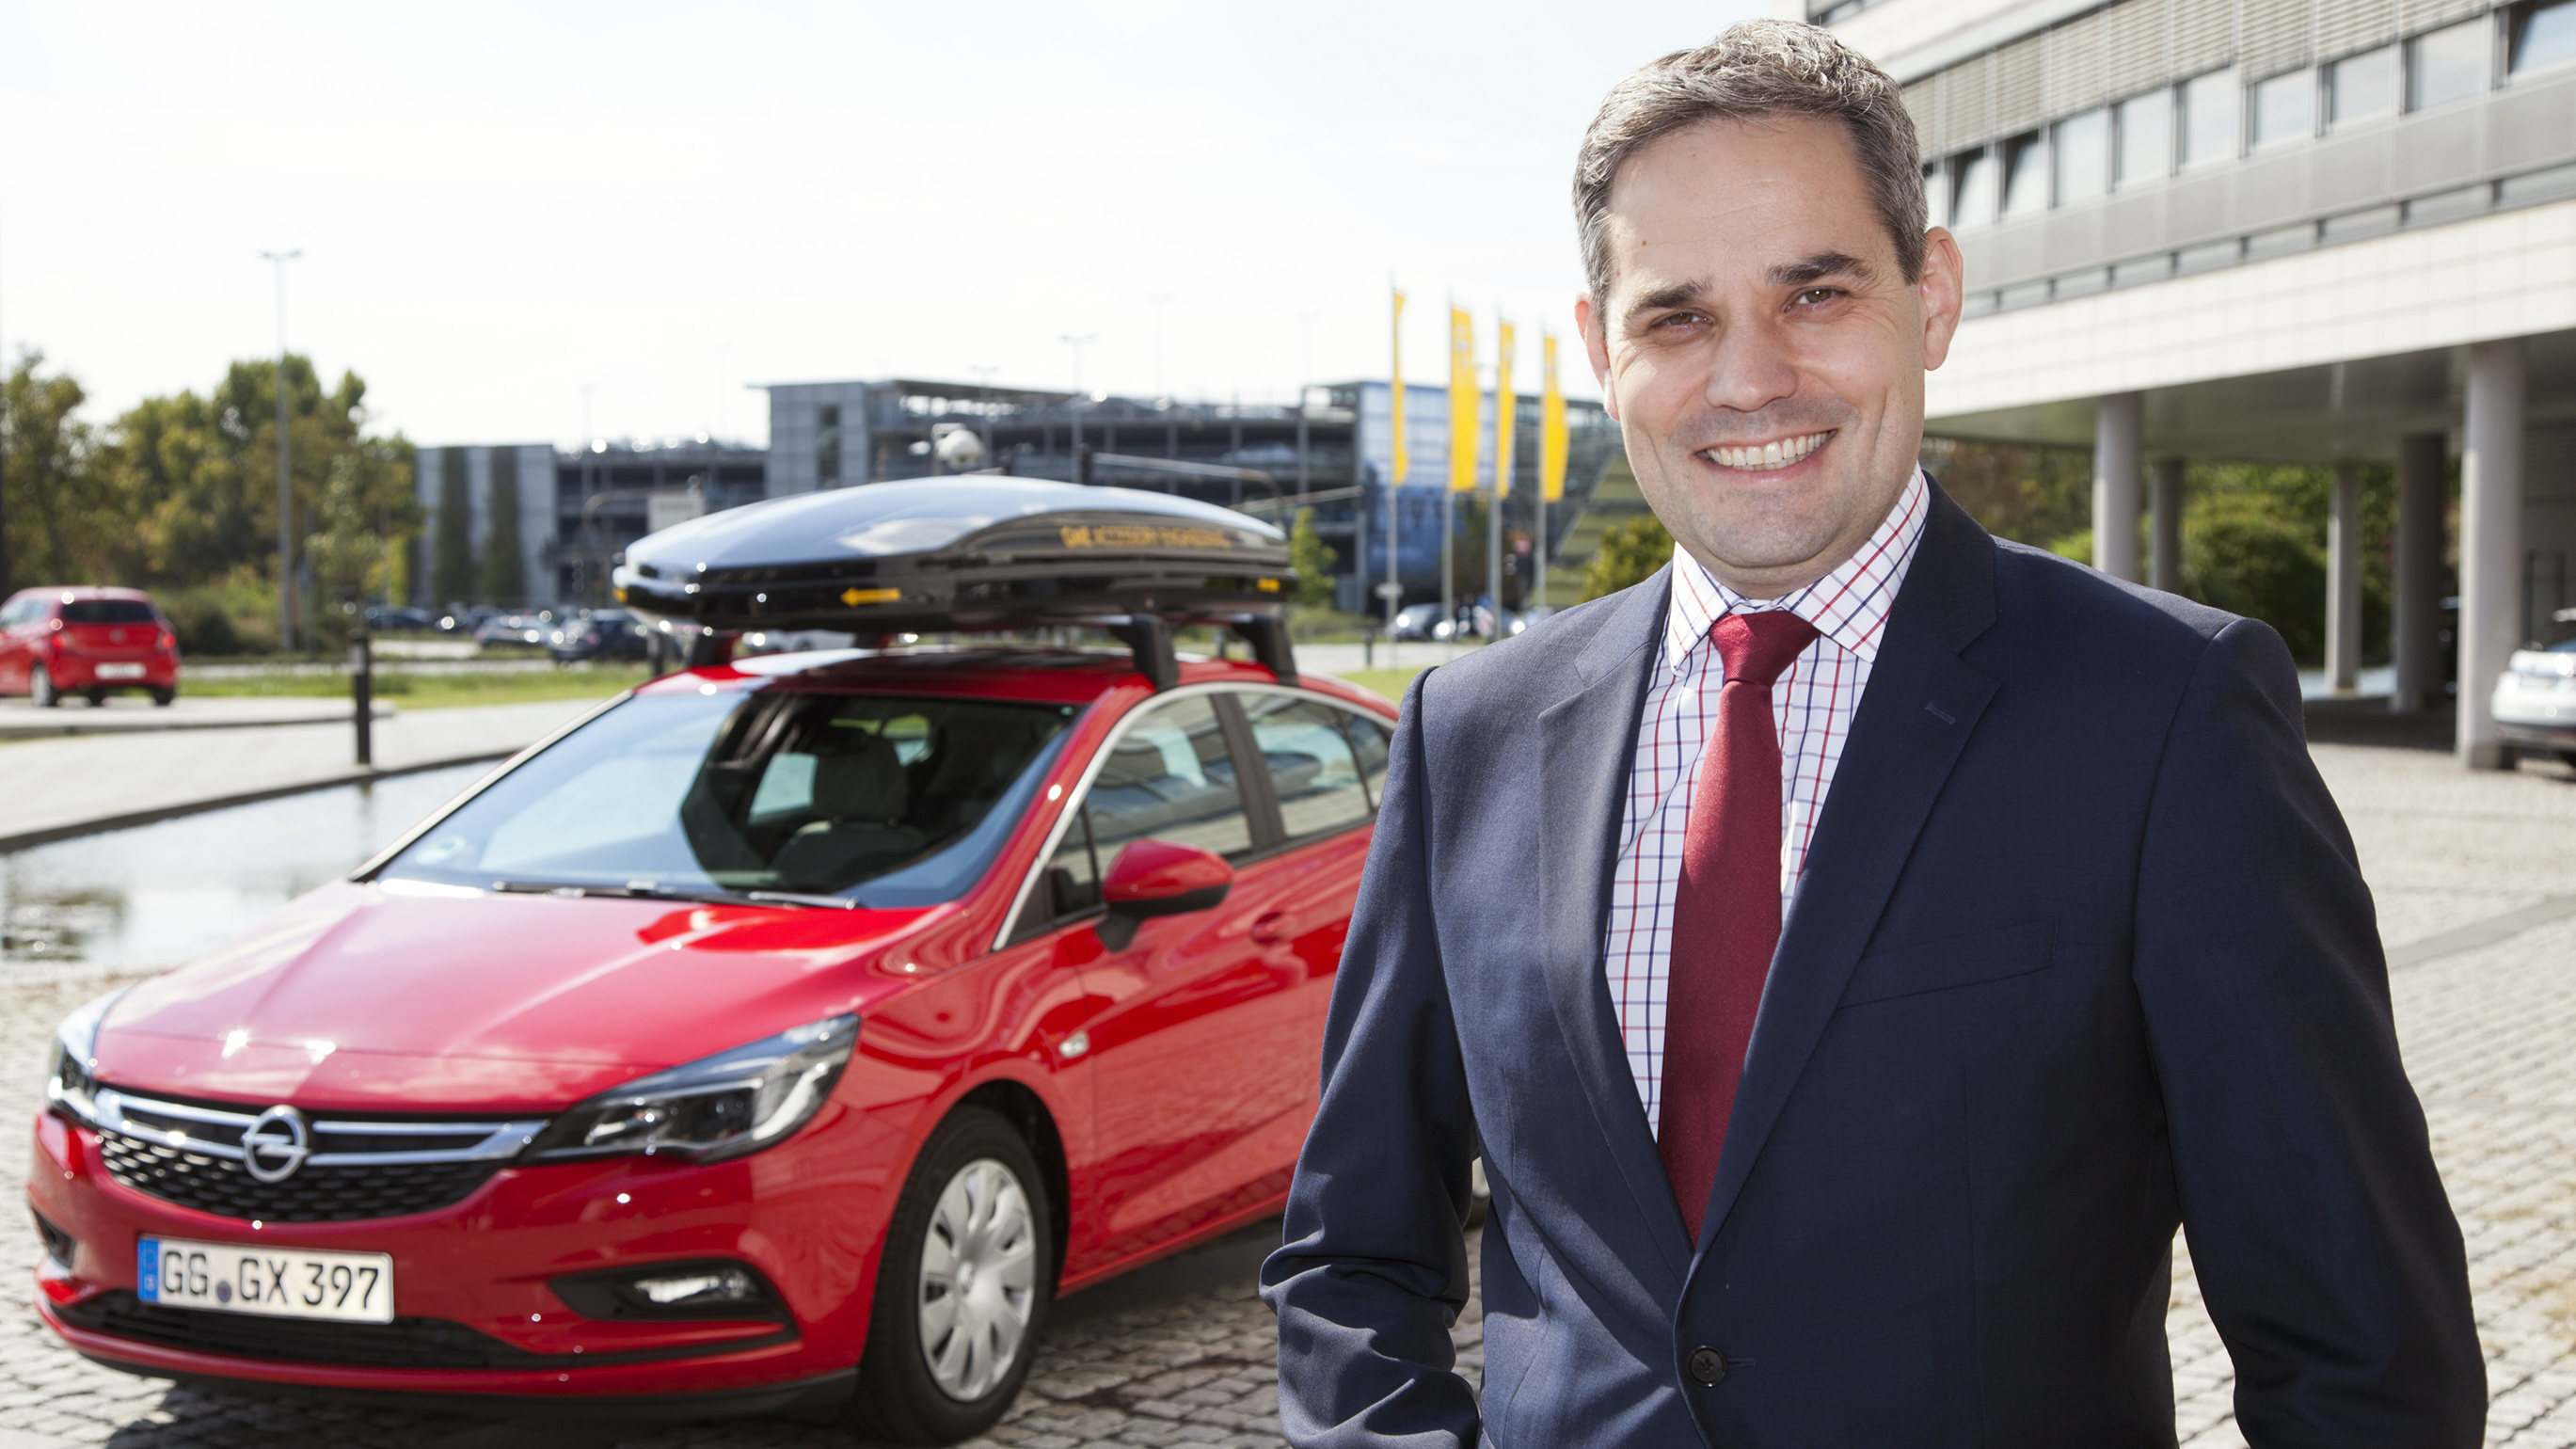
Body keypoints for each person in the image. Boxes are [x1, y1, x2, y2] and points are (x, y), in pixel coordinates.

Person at [1261, 20, 2482, 1447]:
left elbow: (2360, 1350)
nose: (1749, 377)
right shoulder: (1469, 729)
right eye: (1677, 317)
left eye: (1815, 291)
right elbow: (1352, 1256)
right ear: (1600, 349)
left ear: (1932, 296)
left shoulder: (2166, 712)